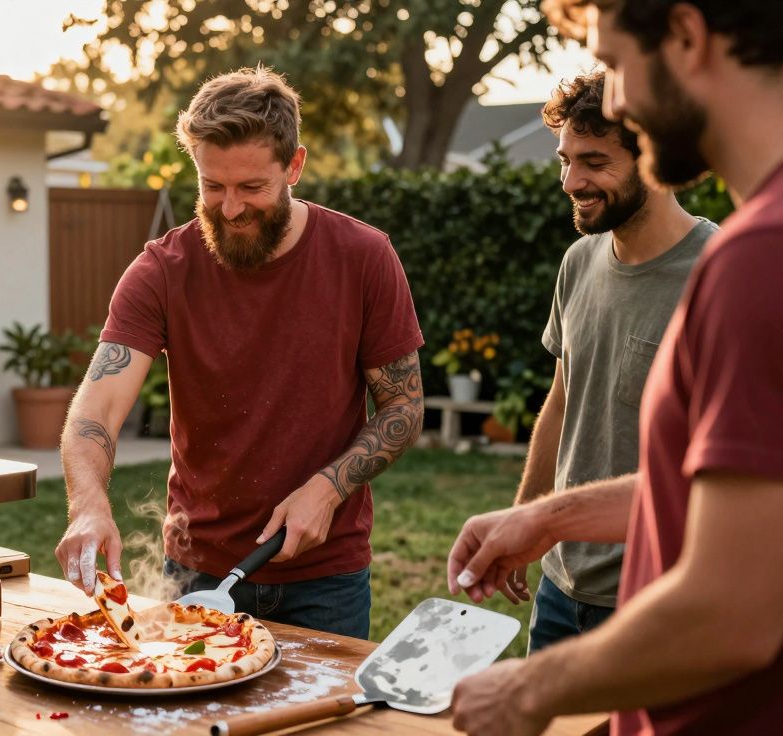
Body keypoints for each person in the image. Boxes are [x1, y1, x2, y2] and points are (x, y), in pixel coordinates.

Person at [447, 1, 783, 734]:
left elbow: (734, 611)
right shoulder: (751, 251)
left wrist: (526, 690)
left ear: (688, 36)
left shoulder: (755, 259)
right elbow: (714, 490)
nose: (620, 99)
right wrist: (545, 515)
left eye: (617, 63)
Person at [55, 67, 425, 639]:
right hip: (194, 568)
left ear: (294, 166)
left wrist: (328, 488)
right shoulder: (162, 270)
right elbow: (96, 410)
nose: (229, 209)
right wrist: (87, 504)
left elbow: (403, 406)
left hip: (326, 579)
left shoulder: (363, 257)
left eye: (251, 188)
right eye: (212, 186)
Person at [505, 70, 716, 653]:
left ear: (653, 161)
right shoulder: (578, 261)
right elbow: (562, 402)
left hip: (655, 594)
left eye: (594, 162)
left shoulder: (718, 275)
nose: (571, 181)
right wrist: (524, 520)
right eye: (565, 160)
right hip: (560, 588)